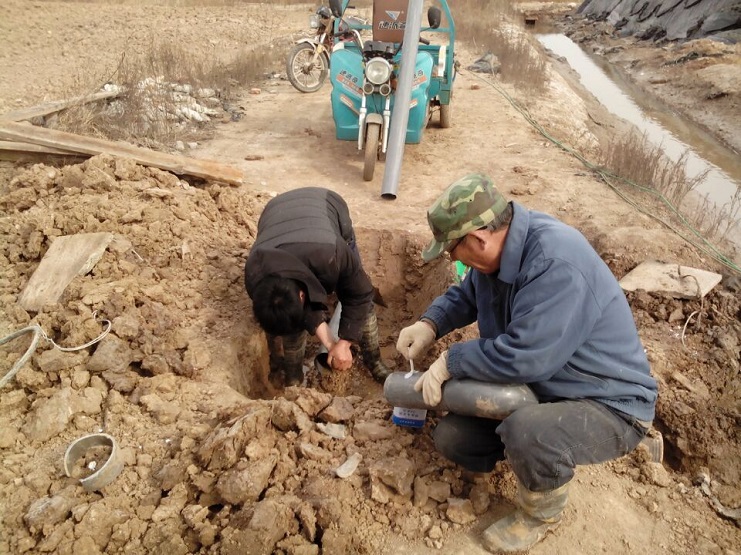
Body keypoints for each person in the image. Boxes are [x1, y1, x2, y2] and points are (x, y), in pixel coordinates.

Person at [396, 173, 658, 552]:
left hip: (608, 403)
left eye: (453, 251)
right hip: (544, 389)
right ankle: (529, 455)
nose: (454, 260)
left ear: (478, 239)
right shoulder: (499, 254)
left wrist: (451, 360)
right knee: (455, 438)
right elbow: (468, 295)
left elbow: (525, 357)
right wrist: (430, 323)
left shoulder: (555, 263)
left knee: (528, 432)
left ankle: (540, 514)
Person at [245, 187, 391, 387]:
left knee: (358, 294)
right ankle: (294, 377)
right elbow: (296, 310)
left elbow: (359, 296)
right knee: (291, 319)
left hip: (326, 203)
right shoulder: (254, 275)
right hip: (276, 210)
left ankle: (374, 361)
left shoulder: (333, 255)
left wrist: (344, 343)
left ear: (302, 295)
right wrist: (330, 343)